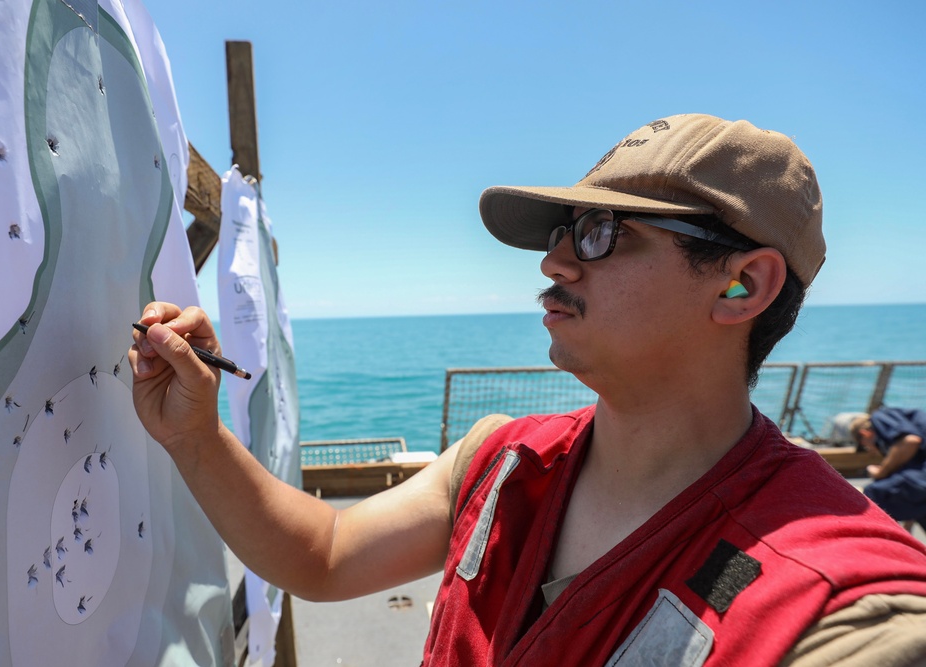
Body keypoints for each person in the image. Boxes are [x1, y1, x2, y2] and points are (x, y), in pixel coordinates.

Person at [131, 114, 926, 666]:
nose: (555, 263)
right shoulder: (502, 460)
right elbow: (326, 555)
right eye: (561, 233)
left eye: (603, 233)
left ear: (742, 285)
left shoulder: (840, 607)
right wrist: (196, 432)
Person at [852, 407, 926, 530]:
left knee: (872, 495)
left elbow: (910, 441)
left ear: (864, 433)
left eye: (865, 446)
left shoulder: (881, 417)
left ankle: (888, 546)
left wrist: (881, 471)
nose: (870, 451)